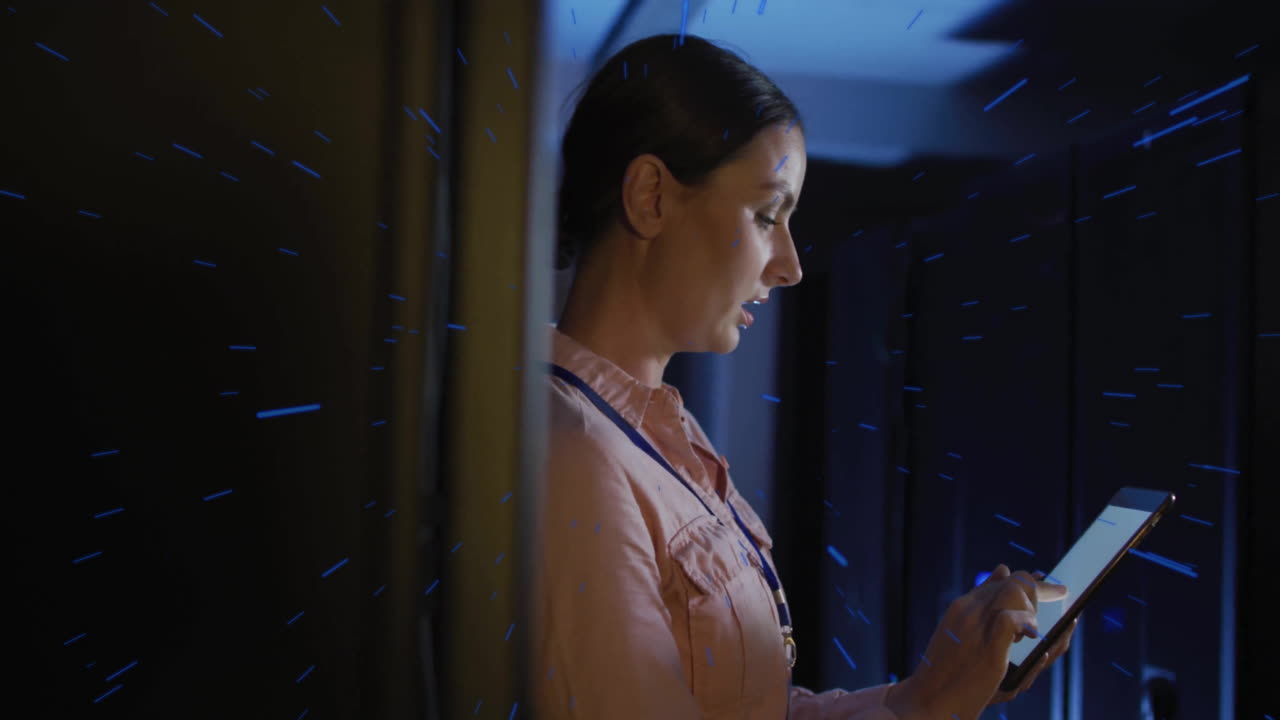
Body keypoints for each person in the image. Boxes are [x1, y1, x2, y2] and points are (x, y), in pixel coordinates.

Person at [530, 33, 1076, 720]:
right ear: (651, 197)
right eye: (766, 215)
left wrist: (928, 694)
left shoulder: (659, 441)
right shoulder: (573, 457)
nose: (788, 265)